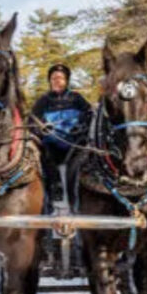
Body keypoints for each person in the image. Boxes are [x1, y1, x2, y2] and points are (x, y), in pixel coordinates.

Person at [30, 64, 91, 209]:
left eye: (60, 78)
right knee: (45, 157)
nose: (57, 81)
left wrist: (81, 127)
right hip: (51, 145)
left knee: (77, 169)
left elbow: (90, 115)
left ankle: (74, 200)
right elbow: (32, 120)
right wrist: (40, 129)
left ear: (66, 81)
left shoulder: (76, 98)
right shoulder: (43, 101)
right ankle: (52, 194)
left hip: (74, 144)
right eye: (53, 78)